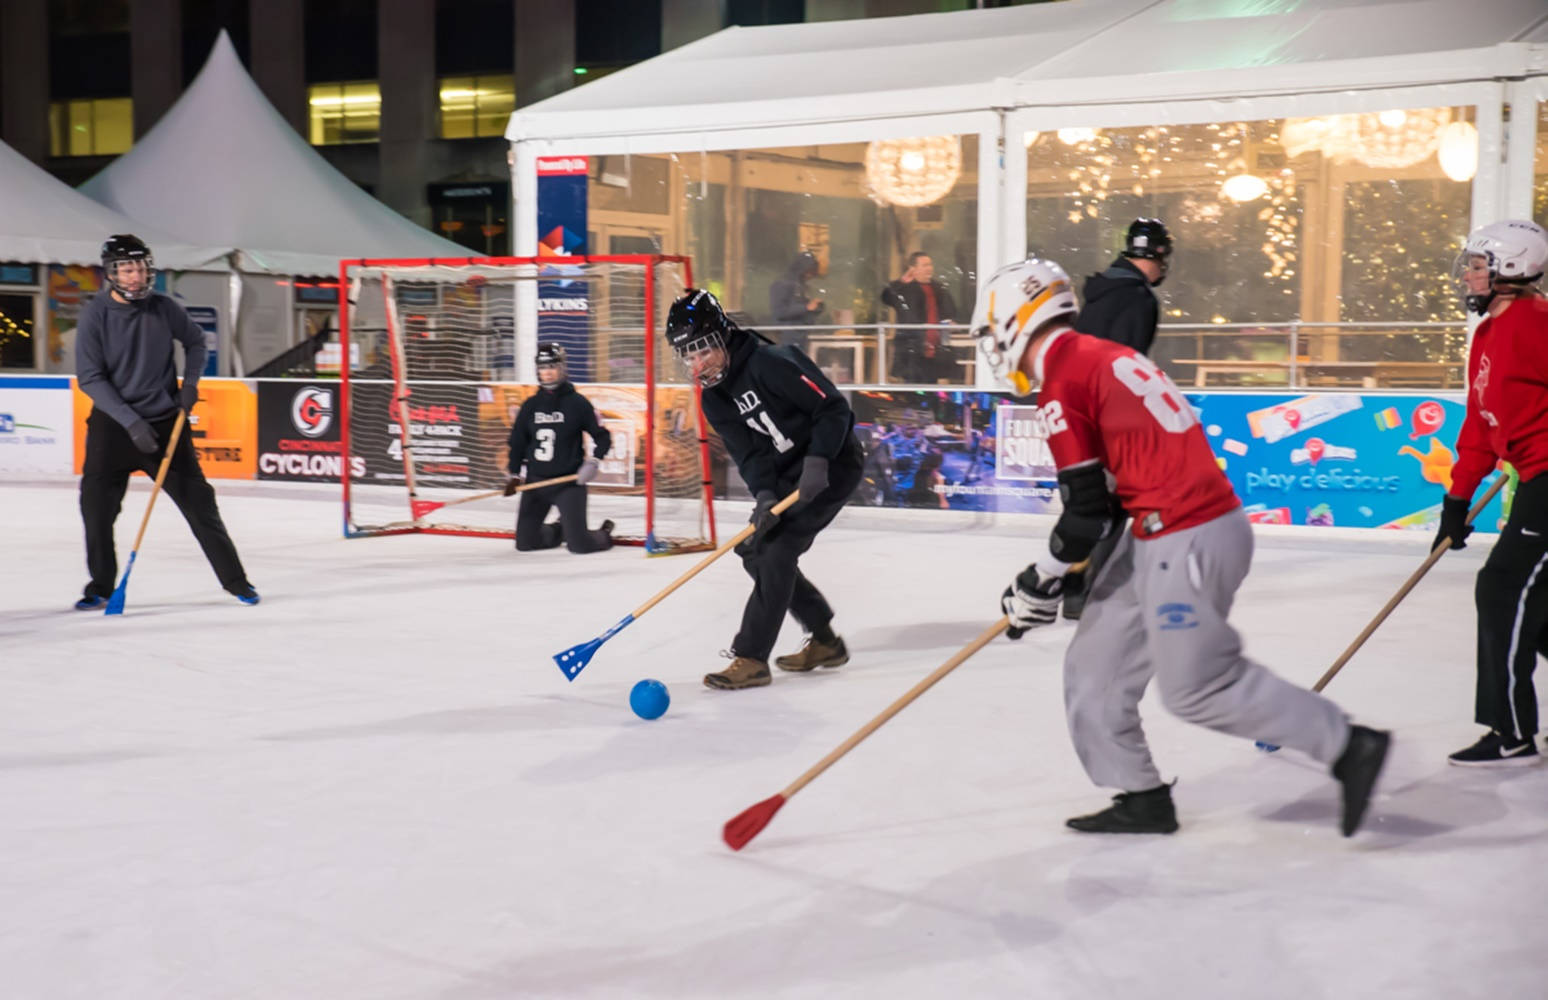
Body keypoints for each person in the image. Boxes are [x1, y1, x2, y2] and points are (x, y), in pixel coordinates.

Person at [973, 257, 1389, 837]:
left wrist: (1037, 579)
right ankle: (1141, 796)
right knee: (1095, 668)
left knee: (1197, 689)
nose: (995, 347)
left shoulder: (1063, 380)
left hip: (1186, 532)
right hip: (1160, 529)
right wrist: (1054, 581)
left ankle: (1348, 745)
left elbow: (1086, 514)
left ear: (1020, 319)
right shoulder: (1104, 355)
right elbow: (1113, 497)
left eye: (994, 332)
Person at [665, 288, 863, 690]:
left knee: (775, 553)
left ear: (722, 335)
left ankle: (751, 657)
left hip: (833, 464)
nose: (698, 364)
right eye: (689, 356)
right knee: (755, 552)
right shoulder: (713, 399)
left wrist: (819, 459)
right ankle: (825, 640)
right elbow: (750, 455)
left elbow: (833, 408)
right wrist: (766, 497)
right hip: (790, 475)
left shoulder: (772, 363)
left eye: (703, 350)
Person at [74, 234, 258, 609]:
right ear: (111, 273)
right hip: (114, 427)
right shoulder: (96, 315)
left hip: (164, 424)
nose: (136, 276)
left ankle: (236, 581)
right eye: (127, 269)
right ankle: (101, 587)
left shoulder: (164, 307)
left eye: (141, 268)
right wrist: (130, 423)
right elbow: (90, 377)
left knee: (200, 505)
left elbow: (195, 342)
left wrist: (189, 386)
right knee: (96, 509)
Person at [1434, 219, 1548, 766]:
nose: (1469, 276)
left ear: (1511, 268)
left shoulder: (1538, 322)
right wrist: (1457, 501)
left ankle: (1511, 731)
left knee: (1501, 588)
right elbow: (1480, 428)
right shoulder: (1488, 332)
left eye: (1478, 265)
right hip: (1535, 477)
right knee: (1539, 612)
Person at [1062, 218, 1175, 621]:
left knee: (1090, 504)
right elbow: (1126, 363)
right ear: (1154, 254)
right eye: (1165, 256)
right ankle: (1085, 590)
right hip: (1107, 417)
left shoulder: (1100, 293)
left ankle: (1076, 584)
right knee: (1112, 505)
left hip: (1079, 410)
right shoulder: (1138, 298)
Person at [505, 342, 614, 554]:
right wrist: (514, 473)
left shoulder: (578, 403)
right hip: (536, 483)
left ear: (563, 368)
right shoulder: (530, 406)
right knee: (525, 543)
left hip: (568, 483)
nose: (547, 373)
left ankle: (604, 533)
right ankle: (560, 528)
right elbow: (518, 442)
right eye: (542, 367)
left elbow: (603, 437)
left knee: (579, 546)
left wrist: (593, 461)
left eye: (552, 367)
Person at [880, 251, 959, 384]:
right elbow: (886, 297)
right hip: (912, 350)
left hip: (935, 350)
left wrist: (950, 322)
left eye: (930, 264)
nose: (929, 268)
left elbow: (949, 311)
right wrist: (902, 281)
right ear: (913, 269)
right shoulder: (905, 288)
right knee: (911, 389)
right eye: (924, 265)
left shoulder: (938, 288)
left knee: (932, 389)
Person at [768, 250, 824, 355]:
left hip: (801, 337)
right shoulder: (782, 284)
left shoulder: (801, 286)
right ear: (801, 269)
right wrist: (806, 307)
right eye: (809, 270)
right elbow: (779, 312)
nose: (811, 274)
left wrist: (815, 308)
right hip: (787, 338)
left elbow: (802, 310)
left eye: (812, 270)